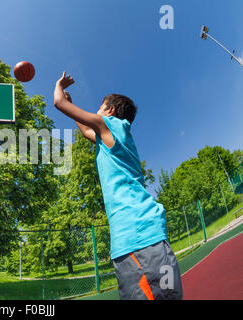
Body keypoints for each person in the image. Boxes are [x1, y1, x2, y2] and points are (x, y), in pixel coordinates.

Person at [54, 72, 183, 300]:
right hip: (142, 241)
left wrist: (59, 86)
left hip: (138, 240)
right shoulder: (114, 138)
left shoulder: (113, 125)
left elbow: (58, 103)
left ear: (110, 111)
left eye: (100, 107)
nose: (97, 112)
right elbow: (85, 131)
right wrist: (73, 105)